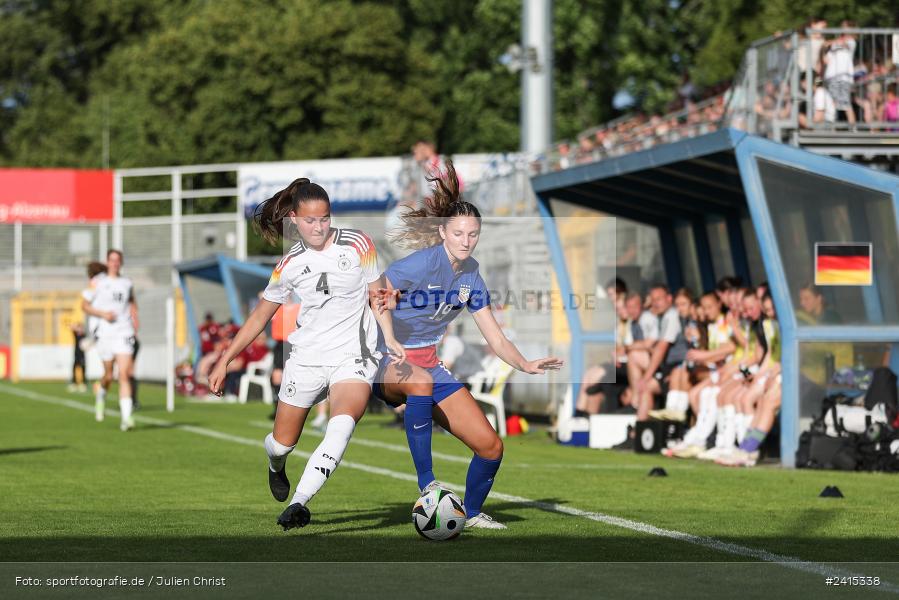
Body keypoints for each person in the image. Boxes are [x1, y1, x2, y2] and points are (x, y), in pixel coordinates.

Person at [373, 161, 562, 530]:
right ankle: (428, 486)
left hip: (429, 366)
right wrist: (390, 334)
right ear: (443, 231)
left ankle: (472, 513)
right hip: (388, 363)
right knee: (421, 383)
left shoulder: (472, 276)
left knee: (491, 447)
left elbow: (496, 337)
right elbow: (377, 290)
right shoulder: (421, 264)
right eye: (459, 233)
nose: (466, 240)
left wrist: (525, 363)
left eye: (473, 234)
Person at [208, 177, 405, 531]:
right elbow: (259, 316)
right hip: (307, 359)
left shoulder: (359, 243)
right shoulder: (289, 264)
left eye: (325, 218)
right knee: (282, 445)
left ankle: (299, 502)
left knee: (342, 426)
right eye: (311, 220)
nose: (319, 227)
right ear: (294, 219)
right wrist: (225, 359)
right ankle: (275, 465)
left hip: (355, 356)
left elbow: (379, 295)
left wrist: (388, 335)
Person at [81, 249, 139, 431]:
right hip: (105, 333)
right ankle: (101, 396)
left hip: (123, 331)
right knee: (108, 375)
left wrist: (135, 323)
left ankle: (126, 418)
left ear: (121, 262)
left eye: (117, 260)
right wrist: (102, 314)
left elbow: (132, 304)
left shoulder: (127, 283)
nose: (114, 263)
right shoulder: (98, 282)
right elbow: (84, 305)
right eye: (111, 260)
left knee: (124, 374)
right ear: (107, 262)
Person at [68, 322, 87, 393]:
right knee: (74, 368)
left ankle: (83, 383)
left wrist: (81, 329)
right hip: (76, 354)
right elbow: (71, 327)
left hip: (82, 355)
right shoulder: (76, 334)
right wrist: (76, 326)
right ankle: (74, 383)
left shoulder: (84, 335)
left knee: (83, 369)